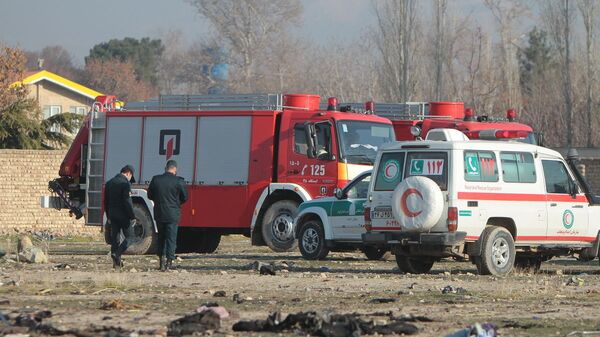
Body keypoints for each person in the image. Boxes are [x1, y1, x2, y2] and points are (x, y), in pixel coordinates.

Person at [147, 160, 188, 271]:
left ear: (165, 168)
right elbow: (185, 197)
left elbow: (150, 195)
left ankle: (161, 261)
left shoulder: (156, 179)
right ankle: (169, 263)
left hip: (159, 213)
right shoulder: (179, 181)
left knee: (161, 237)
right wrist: (176, 203)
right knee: (171, 238)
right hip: (173, 214)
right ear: (175, 169)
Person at [104, 165, 136, 269]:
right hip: (124, 215)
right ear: (128, 173)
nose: (130, 179)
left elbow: (106, 201)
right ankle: (117, 253)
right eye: (131, 177)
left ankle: (116, 264)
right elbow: (127, 201)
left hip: (112, 214)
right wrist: (132, 216)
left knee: (115, 239)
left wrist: (108, 215)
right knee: (131, 237)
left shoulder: (109, 183)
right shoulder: (125, 183)